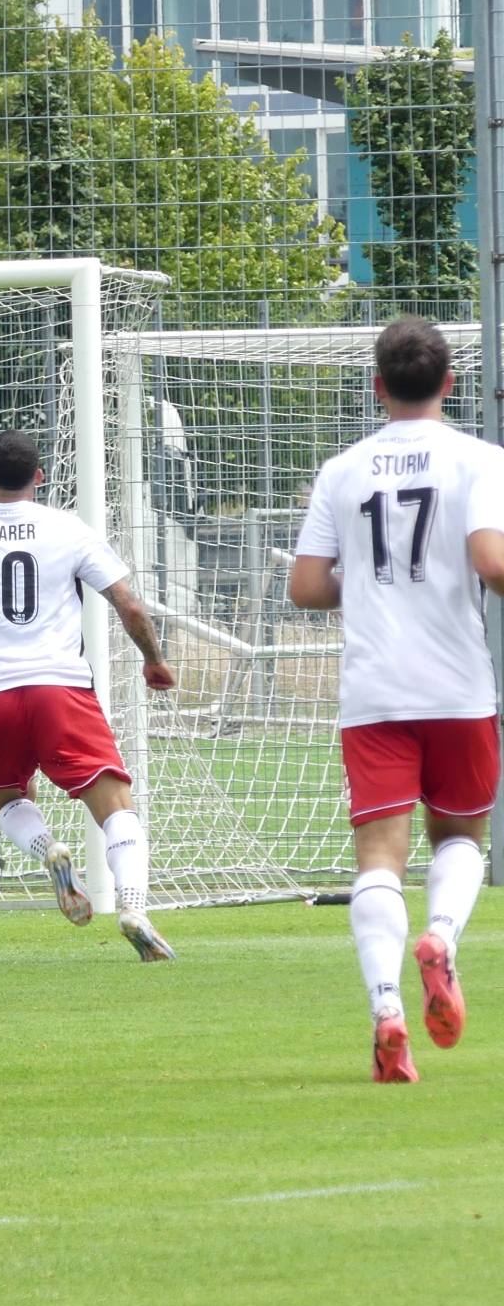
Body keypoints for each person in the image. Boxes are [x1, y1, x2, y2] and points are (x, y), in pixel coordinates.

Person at [288, 315, 504, 1083]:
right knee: (461, 838)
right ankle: (440, 936)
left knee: (379, 857)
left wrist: (372, 583)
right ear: (451, 383)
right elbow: (490, 561)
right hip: (457, 686)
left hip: (374, 690)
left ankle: (387, 1012)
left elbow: (306, 586)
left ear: (377, 387)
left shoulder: (342, 469)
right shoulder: (480, 460)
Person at [0, 429, 178, 961]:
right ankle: (132, 907)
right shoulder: (67, 528)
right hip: (59, 687)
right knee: (116, 808)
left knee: (8, 798)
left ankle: (49, 849)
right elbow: (128, 604)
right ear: (39, 476)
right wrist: (154, 659)